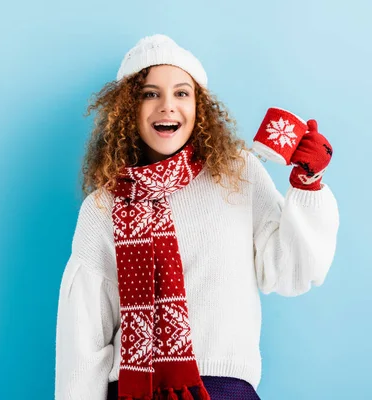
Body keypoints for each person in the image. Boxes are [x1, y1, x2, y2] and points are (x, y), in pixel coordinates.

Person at [54, 33, 339, 400]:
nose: (167, 105)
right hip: (135, 392)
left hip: (225, 390)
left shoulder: (237, 173)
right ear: (129, 108)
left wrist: (307, 184)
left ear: (199, 107)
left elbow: (289, 273)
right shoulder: (103, 206)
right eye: (150, 93)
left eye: (181, 93)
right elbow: (84, 339)